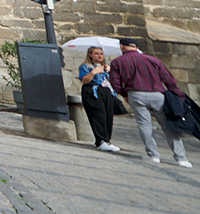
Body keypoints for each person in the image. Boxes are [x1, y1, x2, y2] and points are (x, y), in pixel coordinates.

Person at [108, 38, 190, 166]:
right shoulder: (153, 60)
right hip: (157, 94)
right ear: (136, 47)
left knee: (144, 125)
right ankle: (181, 158)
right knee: (168, 125)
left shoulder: (117, 62)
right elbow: (168, 78)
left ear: (122, 46)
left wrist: (124, 94)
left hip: (135, 94)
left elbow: (115, 83)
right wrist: (177, 93)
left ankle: (153, 155)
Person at [78, 47, 119, 152]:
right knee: (98, 115)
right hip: (93, 91)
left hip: (106, 92)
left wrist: (110, 72)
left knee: (108, 116)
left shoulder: (105, 67)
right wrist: (93, 72)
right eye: (96, 54)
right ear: (90, 54)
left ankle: (107, 140)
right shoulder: (86, 66)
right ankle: (101, 140)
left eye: (101, 53)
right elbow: (84, 80)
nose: (100, 56)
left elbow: (113, 81)